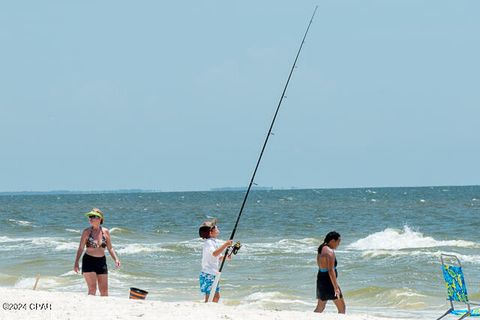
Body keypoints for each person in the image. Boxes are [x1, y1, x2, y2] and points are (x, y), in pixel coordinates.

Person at [73, 208, 121, 296]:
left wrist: (116, 259)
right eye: (89, 216)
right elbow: (81, 248)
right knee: (92, 289)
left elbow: (110, 248)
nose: (90, 219)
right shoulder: (86, 232)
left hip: (101, 262)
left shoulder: (105, 232)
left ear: (100, 219)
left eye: (93, 216)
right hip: (88, 261)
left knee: (104, 291)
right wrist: (76, 262)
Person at [198, 218, 233, 303]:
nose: (218, 229)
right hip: (208, 274)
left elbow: (218, 256)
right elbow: (214, 253)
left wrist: (226, 257)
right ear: (211, 232)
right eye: (216, 228)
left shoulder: (213, 242)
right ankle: (206, 310)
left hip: (212, 273)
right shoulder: (208, 242)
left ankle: (209, 310)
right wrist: (225, 244)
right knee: (211, 296)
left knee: (215, 297)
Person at [314, 231, 345, 313]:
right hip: (329, 282)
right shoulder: (329, 252)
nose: (338, 244)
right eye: (338, 242)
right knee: (342, 308)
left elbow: (320, 265)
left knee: (320, 307)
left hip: (321, 279)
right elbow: (331, 271)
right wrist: (336, 288)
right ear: (332, 241)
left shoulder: (321, 248)